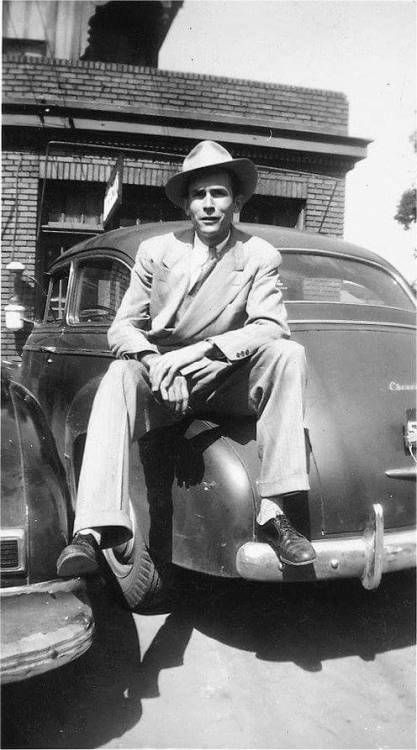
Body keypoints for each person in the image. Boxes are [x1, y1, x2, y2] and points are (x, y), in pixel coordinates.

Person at [57, 140, 316, 577]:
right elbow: (122, 327)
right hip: (162, 376)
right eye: (199, 195)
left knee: (288, 354)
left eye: (219, 194)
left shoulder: (258, 255)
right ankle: (95, 527)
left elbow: (271, 326)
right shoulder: (156, 252)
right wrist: (156, 363)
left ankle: (274, 514)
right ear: (187, 204)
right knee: (120, 372)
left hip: (224, 374)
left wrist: (200, 353)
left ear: (235, 201)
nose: (209, 205)